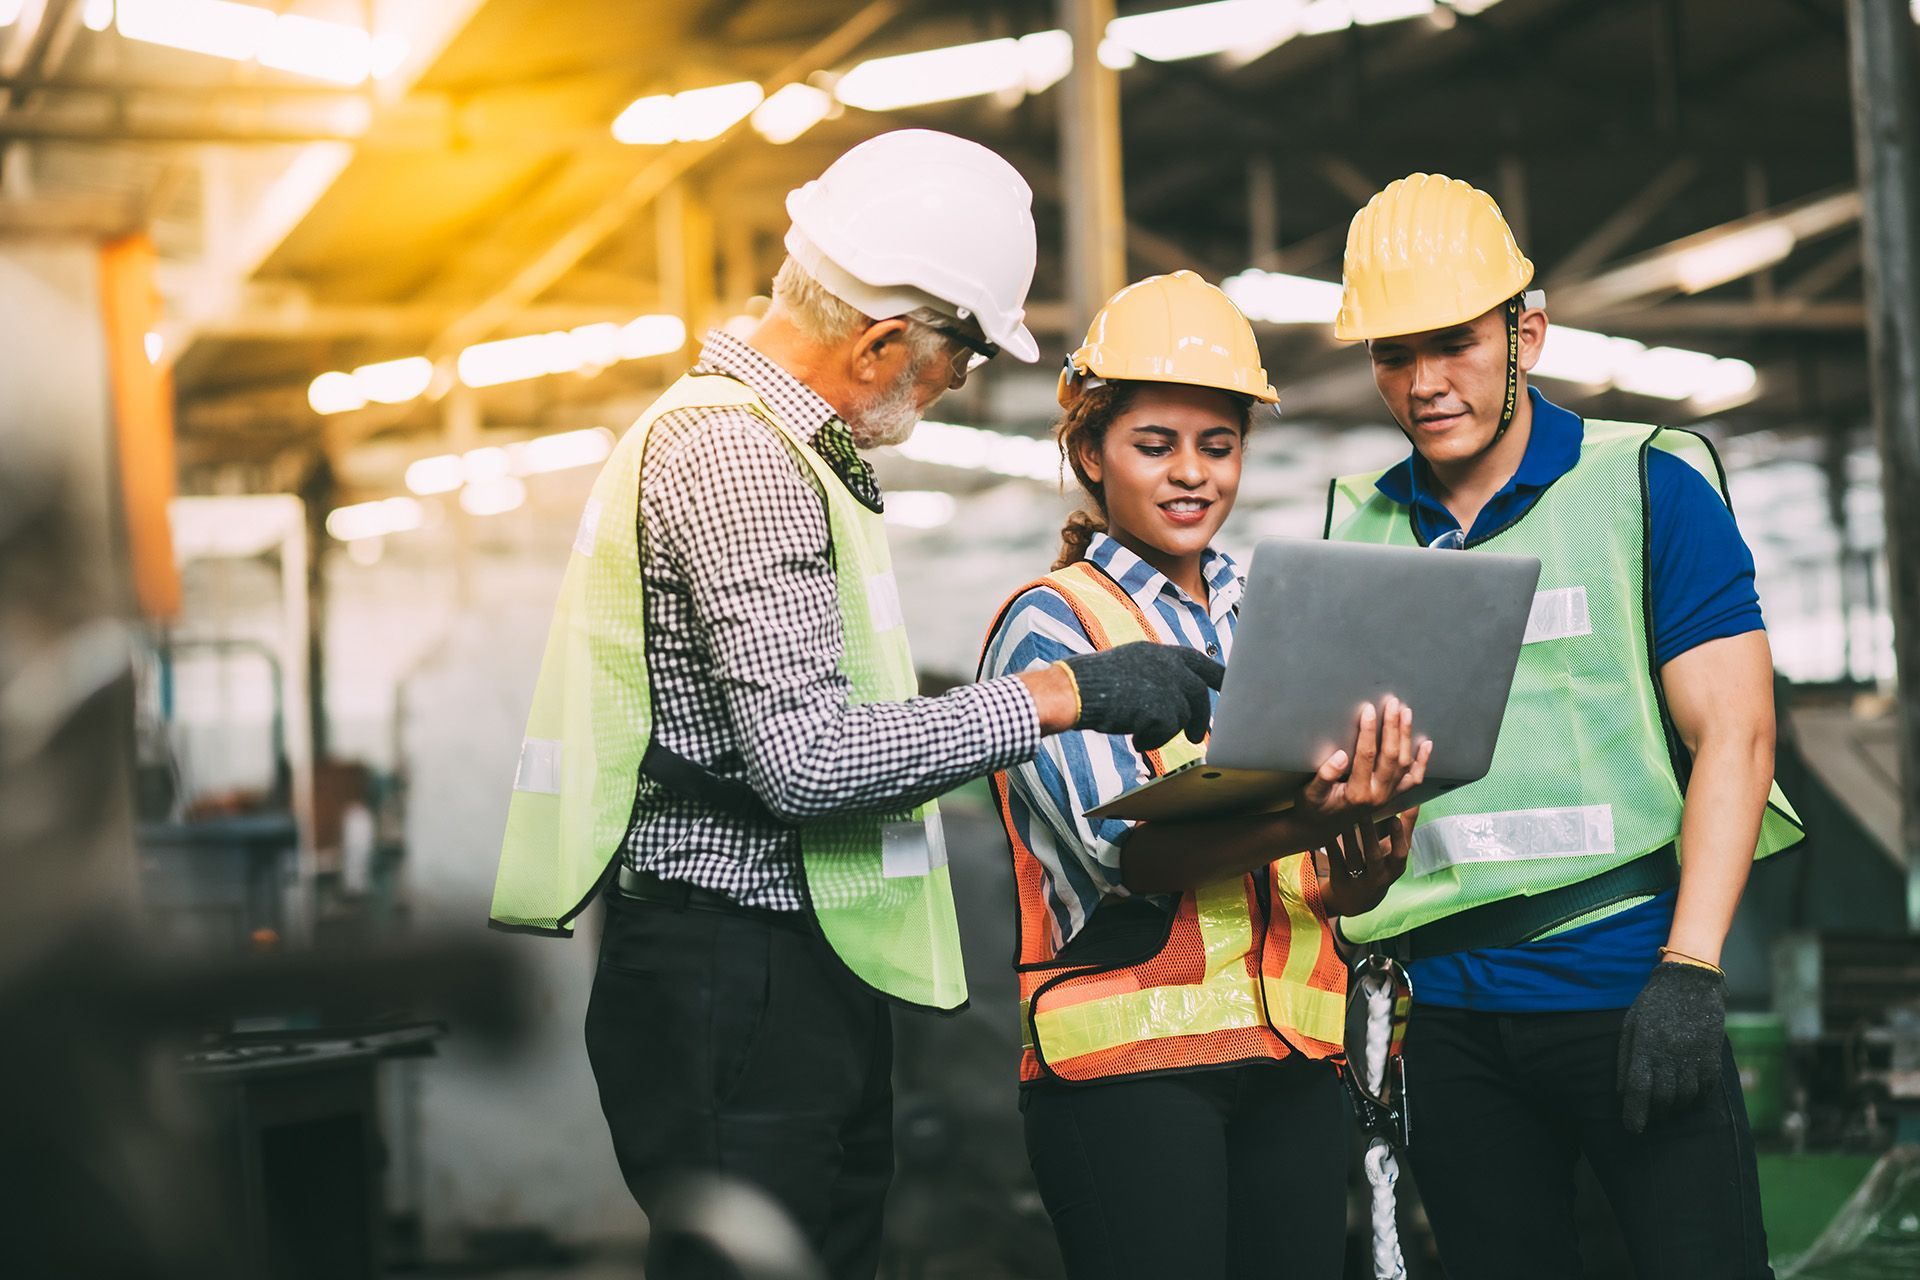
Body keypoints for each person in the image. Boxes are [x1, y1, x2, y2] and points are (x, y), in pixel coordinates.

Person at [487, 131, 1228, 1279]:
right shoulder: (743, 458)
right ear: (883, 340)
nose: (952, 388)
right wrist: (1061, 692)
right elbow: (808, 759)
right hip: (729, 970)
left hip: (761, 961)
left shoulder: (785, 449)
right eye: (958, 362)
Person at [1323, 173, 1806, 1279]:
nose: (1425, 382)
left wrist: (1692, 968)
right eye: (1394, 353)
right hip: (1445, 1023)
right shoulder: (1361, 526)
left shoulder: (1644, 485)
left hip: (1631, 993)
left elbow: (1737, 734)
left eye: (1454, 342)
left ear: (1525, 331)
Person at [978, 270, 1431, 1280]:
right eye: (1156, 445)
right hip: (1130, 1076)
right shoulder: (1055, 623)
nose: (1192, 473)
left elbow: (1321, 885)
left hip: (1294, 1063)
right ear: (1092, 452)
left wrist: (1363, 854)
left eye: (1216, 446)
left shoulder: (1274, 611)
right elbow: (1127, 851)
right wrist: (1311, 808)